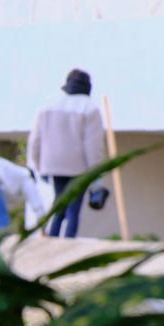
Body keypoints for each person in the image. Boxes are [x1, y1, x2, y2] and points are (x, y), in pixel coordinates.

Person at [27, 68, 105, 238]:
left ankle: (52, 239)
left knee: (60, 204)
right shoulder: (89, 107)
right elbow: (93, 145)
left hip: (53, 164)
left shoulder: (48, 105)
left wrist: (37, 164)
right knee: (73, 209)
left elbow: (35, 139)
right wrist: (96, 171)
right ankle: (69, 242)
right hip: (78, 166)